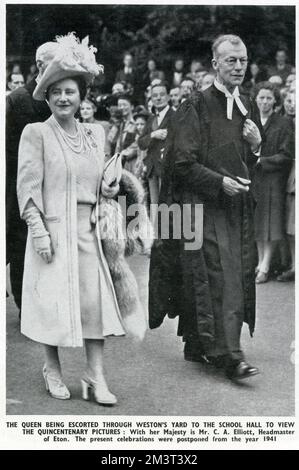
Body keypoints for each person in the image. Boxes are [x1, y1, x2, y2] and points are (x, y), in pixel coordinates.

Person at [17, 33, 129, 405]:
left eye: (70, 91)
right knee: (53, 303)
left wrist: (110, 190)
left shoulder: (96, 134)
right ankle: (52, 367)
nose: (63, 98)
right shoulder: (36, 134)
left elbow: (101, 183)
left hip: (90, 232)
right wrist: (39, 231)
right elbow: (28, 188)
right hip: (52, 230)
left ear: (82, 96)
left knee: (93, 305)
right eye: (56, 92)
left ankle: (95, 376)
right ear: (47, 97)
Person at [149, 34, 263, 381]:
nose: (239, 66)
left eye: (243, 60)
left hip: (235, 210)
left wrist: (257, 147)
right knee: (218, 276)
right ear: (215, 64)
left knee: (233, 273)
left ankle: (198, 343)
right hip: (201, 207)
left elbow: (247, 163)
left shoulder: (249, 105)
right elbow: (181, 163)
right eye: (231, 60)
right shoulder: (195, 105)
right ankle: (230, 355)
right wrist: (218, 183)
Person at [6, 41, 59, 314]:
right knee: (21, 243)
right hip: (23, 183)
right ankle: (26, 305)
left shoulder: (60, 95)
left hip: (56, 183)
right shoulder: (18, 99)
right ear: (40, 65)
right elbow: (9, 151)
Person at [252, 82, 293, 283]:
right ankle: (260, 262)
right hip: (255, 178)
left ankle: (266, 265)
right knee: (259, 223)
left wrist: (263, 160)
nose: (265, 102)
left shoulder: (283, 123)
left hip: (274, 178)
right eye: (261, 98)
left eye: (269, 98)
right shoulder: (250, 121)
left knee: (272, 223)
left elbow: (287, 155)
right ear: (256, 99)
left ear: (275, 100)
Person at [138, 82, 175, 221]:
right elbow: (141, 143)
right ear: (151, 99)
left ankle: (166, 239)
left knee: (167, 205)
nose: (158, 98)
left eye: (162, 95)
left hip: (168, 168)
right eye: (155, 96)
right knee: (154, 205)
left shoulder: (176, 116)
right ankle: (155, 238)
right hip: (152, 168)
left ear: (168, 97)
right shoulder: (151, 118)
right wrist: (153, 135)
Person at [277, 90, 295, 282]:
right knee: (291, 227)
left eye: (295, 101)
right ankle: (293, 264)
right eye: (289, 101)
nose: (291, 104)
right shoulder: (286, 123)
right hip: (291, 177)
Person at [107, 93, 137, 171]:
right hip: (118, 164)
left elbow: (138, 144)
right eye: (119, 105)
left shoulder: (137, 123)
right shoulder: (119, 123)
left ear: (132, 107)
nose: (122, 108)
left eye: (124, 105)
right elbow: (110, 140)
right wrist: (116, 125)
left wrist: (123, 154)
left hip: (131, 163)